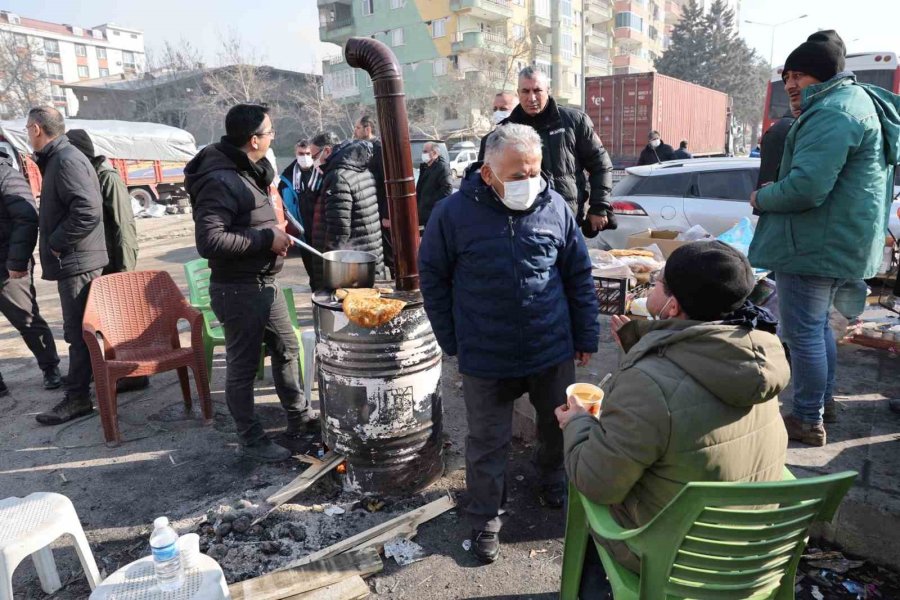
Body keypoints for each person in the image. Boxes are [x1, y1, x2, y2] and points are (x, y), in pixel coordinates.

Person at [556, 241, 789, 597]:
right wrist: (641, 347)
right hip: (757, 549)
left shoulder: (648, 385)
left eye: (659, 282)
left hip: (682, 559)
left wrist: (576, 422)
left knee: (596, 516)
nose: (652, 285)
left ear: (673, 304)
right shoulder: (759, 353)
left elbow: (596, 481)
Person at [419, 123, 600, 564]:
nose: (528, 182)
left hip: (549, 344)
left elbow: (578, 274)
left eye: (534, 171)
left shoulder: (555, 206)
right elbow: (434, 280)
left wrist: (585, 333)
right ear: (487, 173)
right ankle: (485, 517)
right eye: (517, 175)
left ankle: (552, 477)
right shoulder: (452, 215)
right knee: (487, 440)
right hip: (486, 351)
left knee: (556, 424)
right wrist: (452, 340)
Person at [749, 30, 900, 446]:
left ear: (824, 75)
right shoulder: (856, 103)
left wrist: (760, 195)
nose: (791, 84)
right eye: (787, 75)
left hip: (814, 245)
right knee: (816, 331)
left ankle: (806, 416)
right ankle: (822, 402)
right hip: (836, 243)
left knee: (804, 335)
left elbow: (805, 188)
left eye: (800, 75)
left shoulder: (834, 112)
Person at [185, 103, 318, 461]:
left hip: (264, 283)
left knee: (287, 348)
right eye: (271, 132)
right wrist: (265, 239)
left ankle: (300, 417)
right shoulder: (220, 178)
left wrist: (274, 230)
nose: (274, 137)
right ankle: (251, 438)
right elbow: (210, 241)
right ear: (254, 139)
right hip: (238, 288)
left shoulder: (248, 171)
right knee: (242, 367)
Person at [26, 107, 108, 425]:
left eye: (26, 128)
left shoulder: (66, 159)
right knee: (83, 334)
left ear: (36, 128)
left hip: (77, 260)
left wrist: (57, 243)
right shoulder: (60, 158)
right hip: (77, 259)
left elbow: (88, 210)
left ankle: (78, 399)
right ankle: (85, 392)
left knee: (78, 334)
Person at [479, 67, 614, 234]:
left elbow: (601, 165)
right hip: (522, 226)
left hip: (567, 221)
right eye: (525, 91)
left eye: (537, 90)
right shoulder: (504, 133)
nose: (531, 98)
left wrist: (599, 206)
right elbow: (485, 182)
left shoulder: (574, 122)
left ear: (548, 91)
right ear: (518, 93)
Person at [66, 128, 149, 393]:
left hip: (114, 264)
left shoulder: (106, 178)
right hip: (100, 263)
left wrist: (124, 271)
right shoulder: (88, 177)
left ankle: (135, 375)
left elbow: (124, 227)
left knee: (119, 323)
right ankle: (112, 371)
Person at [0, 149, 62, 397]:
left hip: (8, 267)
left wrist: (16, 262)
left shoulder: (6, 175)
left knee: (27, 320)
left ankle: (51, 368)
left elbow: (26, 219)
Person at [309, 136, 385, 289]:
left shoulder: (338, 177)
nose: (313, 161)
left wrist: (330, 271)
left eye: (314, 156)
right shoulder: (361, 169)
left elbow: (338, 230)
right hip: (368, 257)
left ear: (327, 151)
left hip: (350, 269)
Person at [353, 115, 393, 275]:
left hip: (380, 209)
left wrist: (386, 213)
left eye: (357, 128)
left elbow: (386, 183)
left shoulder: (379, 149)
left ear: (367, 129)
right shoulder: (362, 147)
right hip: (370, 208)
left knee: (390, 254)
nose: (355, 131)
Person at [415, 141, 453, 229]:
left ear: (435, 153)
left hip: (434, 214)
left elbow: (447, 190)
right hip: (426, 215)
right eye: (423, 151)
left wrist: (431, 203)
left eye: (425, 151)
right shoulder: (426, 167)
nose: (423, 154)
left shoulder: (442, 168)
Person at [477, 91, 519, 160]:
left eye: (503, 109)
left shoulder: (530, 137)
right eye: (495, 109)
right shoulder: (487, 140)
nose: (497, 112)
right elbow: (481, 168)